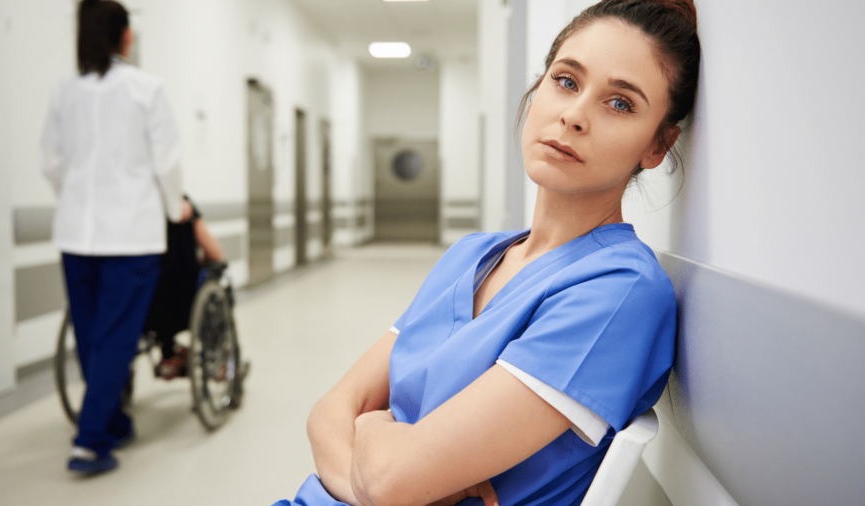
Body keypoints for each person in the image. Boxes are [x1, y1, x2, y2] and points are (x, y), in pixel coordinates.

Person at [275, 0, 700, 504]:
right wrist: (375, 473)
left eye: (621, 103)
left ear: (658, 145)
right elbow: (327, 413)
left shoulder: (619, 292)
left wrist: (369, 429)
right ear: (538, 87)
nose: (574, 115)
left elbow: (393, 478)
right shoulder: (470, 256)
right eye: (566, 80)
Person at [41, 0, 184, 475]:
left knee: (90, 335)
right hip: (129, 235)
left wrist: (79, 199)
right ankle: (91, 440)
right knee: (116, 339)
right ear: (126, 37)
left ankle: (113, 417)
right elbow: (165, 163)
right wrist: (174, 210)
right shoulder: (146, 89)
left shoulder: (65, 92)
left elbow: (52, 163)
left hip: (76, 234)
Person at [145, 195, 225, 380]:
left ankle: (169, 356)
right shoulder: (185, 208)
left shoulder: (135, 210)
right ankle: (216, 355)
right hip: (185, 303)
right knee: (215, 279)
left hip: (146, 309)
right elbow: (215, 253)